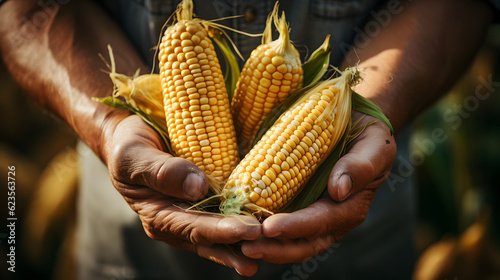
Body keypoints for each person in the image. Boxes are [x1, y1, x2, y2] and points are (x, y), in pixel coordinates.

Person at [0, 0, 495, 279]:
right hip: (132, 243)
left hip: (356, 245)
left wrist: (373, 108)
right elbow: (28, 8)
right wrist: (111, 125)